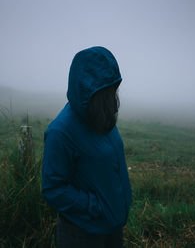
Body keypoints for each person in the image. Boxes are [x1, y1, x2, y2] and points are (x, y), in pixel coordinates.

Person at [42, 46, 132, 248]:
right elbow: (53, 188)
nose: (113, 97)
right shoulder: (61, 132)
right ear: (88, 91)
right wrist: (96, 207)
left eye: (113, 89)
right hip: (82, 235)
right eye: (107, 92)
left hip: (112, 228)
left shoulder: (103, 117)